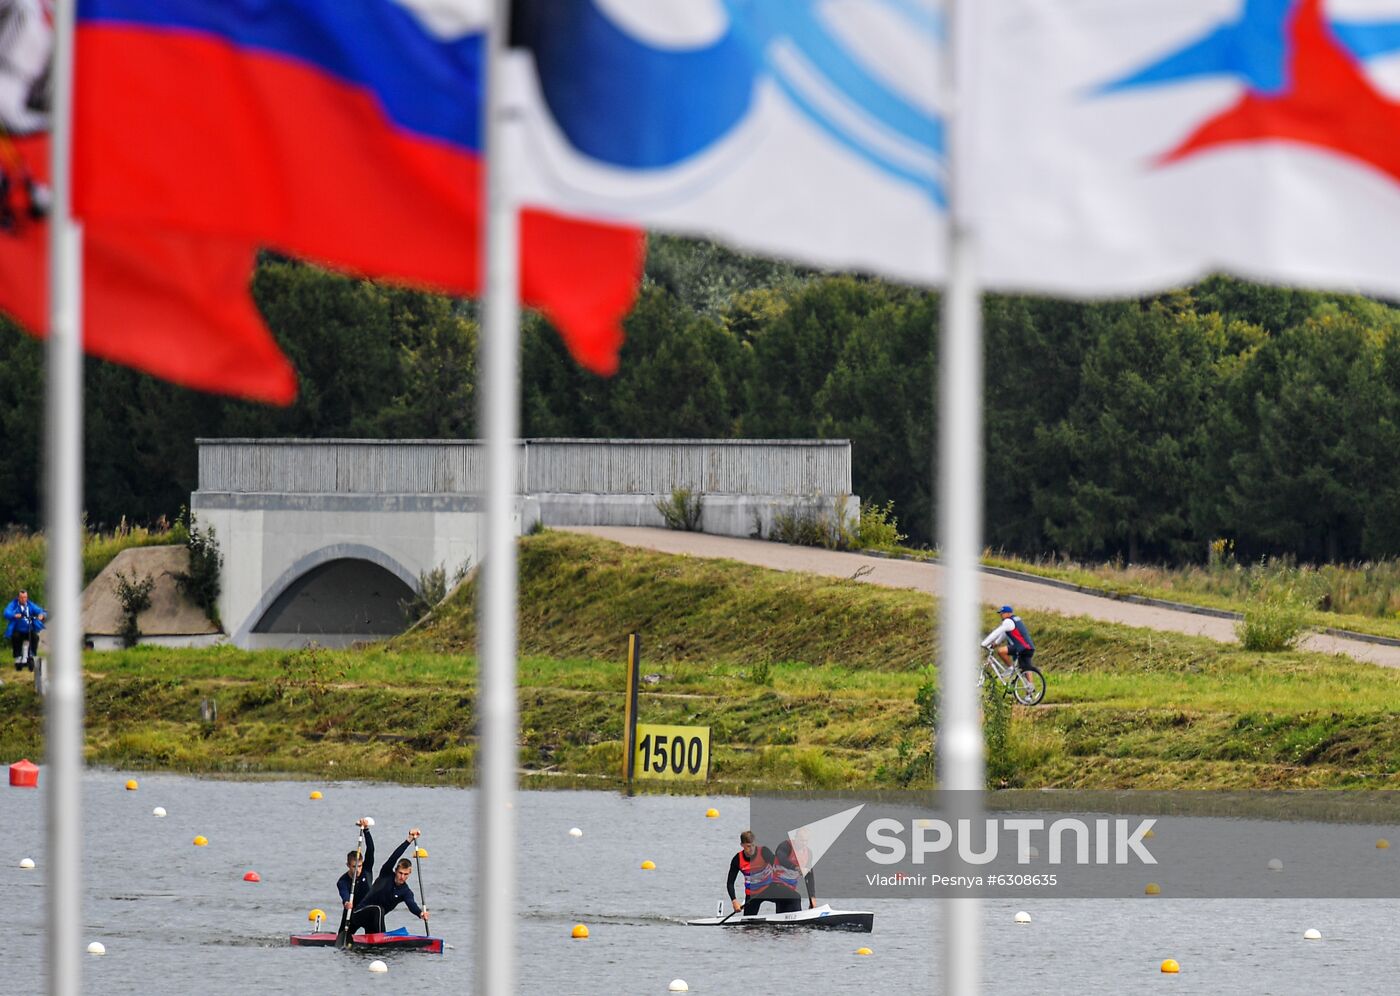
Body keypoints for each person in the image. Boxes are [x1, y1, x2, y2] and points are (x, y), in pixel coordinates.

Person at [347, 827, 428, 934]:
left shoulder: (406, 892)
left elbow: (411, 904)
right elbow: (394, 857)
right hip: (359, 913)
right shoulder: (386, 874)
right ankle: (382, 938)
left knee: (373, 946)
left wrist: (420, 914)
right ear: (396, 871)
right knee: (379, 909)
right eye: (400, 873)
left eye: (405, 874)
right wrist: (409, 840)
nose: (402, 877)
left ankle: (377, 944)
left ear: (409, 874)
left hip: (373, 921)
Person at [726, 829, 800, 916]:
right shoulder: (737, 860)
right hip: (752, 893)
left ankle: (796, 919)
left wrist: (795, 868)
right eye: (748, 846)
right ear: (742, 845)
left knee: (795, 897)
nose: (751, 849)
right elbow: (730, 883)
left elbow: (778, 864)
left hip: (769, 888)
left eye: (753, 845)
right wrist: (734, 901)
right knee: (748, 924)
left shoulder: (763, 851)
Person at [336, 818, 375, 917]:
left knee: (377, 911)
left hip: (368, 908)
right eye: (354, 866)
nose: (357, 870)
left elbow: (371, 849)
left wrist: (366, 830)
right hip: (352, 910)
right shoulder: (342, 881)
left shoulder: (366, 869)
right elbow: (344, 894)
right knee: (344, 926)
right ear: (348, 865)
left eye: (359, 866)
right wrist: (346, 902)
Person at [772, 828, 817, 910]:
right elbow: (781, 858)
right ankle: (800, 921)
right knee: (796, 897)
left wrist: (812, 897)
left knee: (784, 912)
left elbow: (809, 876)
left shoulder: (808, 853)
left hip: (790, 887)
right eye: (801, 840)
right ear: (795, 838)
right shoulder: (785, 846)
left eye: (806, 841)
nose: (804, 843)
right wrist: (797, 868)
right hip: (775, 884)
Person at [981, 605, 1034, 672]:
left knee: (1001, 651)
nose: (1001, 615)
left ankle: (1010, 668)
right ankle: (1029, 683)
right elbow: (1004, 634)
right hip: (1028, 646)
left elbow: (996, 632)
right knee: (1025, 667)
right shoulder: (1015, 619)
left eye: (1002, 613)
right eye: (1000, 613)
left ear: (1008, 613)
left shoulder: (1008, 622)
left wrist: (984, 643)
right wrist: (995, 643)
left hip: (1020, 647)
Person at [4, 588, 45, 670]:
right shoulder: (14, 605)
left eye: (25, 597)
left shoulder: (30, 605)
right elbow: (6, 612)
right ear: (18, 598)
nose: (23, 599)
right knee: (16, 637)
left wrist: (41, 615)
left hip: (29, 629)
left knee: (35, 637)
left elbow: (40, 610)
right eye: (22, 597)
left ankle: (32, 655)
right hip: (18, 630)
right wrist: (14, 615)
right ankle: (18, 657)